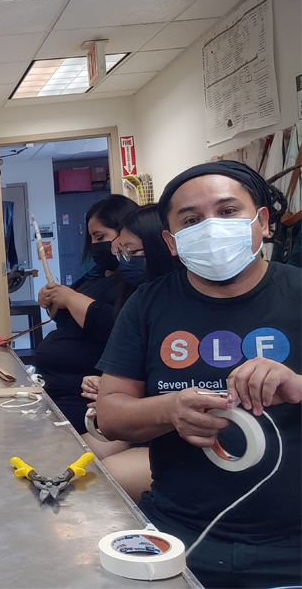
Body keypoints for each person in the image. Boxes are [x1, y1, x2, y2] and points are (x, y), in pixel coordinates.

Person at [95, 161, 300, 588]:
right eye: (191, 220)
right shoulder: (148, 305)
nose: (211, 227)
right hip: (180, 536)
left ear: (262, 222)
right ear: (172, 242)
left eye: (228, 211)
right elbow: (110, 415)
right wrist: (168, 409)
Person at [79, 204, 179, 502]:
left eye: (131, 252)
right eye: (120, 252)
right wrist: (110, 389)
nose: (123, 261)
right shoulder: (137, 301)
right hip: (145, 426)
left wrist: (124, 402)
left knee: (95, 484)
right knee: (72, 454)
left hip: (177, 435)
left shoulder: (184, 305)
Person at [34, 194, 138, 433]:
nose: (94, 245)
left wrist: (70, 298)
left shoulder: (133, 280)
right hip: (57, 392)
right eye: (91, 238)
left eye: (100, 237)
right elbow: (68, 318)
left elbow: (113, 327)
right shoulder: (94, 276)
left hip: (82, 399)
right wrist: (51, 300)